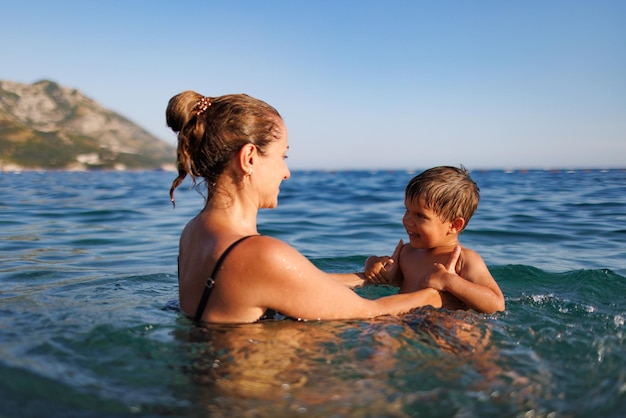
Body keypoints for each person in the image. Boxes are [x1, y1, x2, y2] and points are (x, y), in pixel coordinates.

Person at [166, 91, 460, 324]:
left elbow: (293, 281)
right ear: (250, 158)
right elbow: (372, 312)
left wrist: (365, 278)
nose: (286, 172)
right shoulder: (258, 253)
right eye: (283, 156)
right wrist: (435, 291)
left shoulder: (194, 233)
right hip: (254, 395)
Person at [363, 166, 505, 314]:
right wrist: (372, 264)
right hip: (407, 321)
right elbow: (388, 280)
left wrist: (449, 281)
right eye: (407, 211)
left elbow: (496, 304)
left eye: (420, 215)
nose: (407, 220)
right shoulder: (407, 252)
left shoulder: (464, 259)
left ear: (454, 225)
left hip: (447, 325)